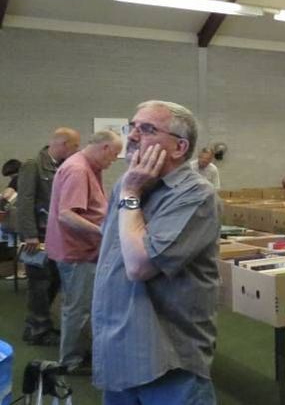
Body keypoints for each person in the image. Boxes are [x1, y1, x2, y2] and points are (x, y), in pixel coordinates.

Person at [92, 101, 220, 402]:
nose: (133, 136)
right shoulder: (126, 184)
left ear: (179, 147)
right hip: (119, 346)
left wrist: (131, 194)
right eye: (132, 127)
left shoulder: (196, 194)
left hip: (167, 356)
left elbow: (139, 265)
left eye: (147, 129)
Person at [45, 130, 122, 374]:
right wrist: (104, 232)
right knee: (78, 309)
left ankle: (78, 353)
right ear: (104, 148)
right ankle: (71, 362)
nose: (113, 162)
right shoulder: (79, 169)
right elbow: (67, 215)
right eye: (114, 155)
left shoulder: (88, 167)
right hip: (77, 251)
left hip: (81, 250)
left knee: (82, 306)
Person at [17, 127, 81, 346]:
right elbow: (24, 202)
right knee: (39, 283)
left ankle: (39, 325)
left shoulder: (62, 167)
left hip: (55, 235)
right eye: (74, 146)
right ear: (62, 144)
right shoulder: (32, 165)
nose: (77, 150)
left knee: (51, 280)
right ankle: (37, 329)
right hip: (38, 236)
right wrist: (30, 235)